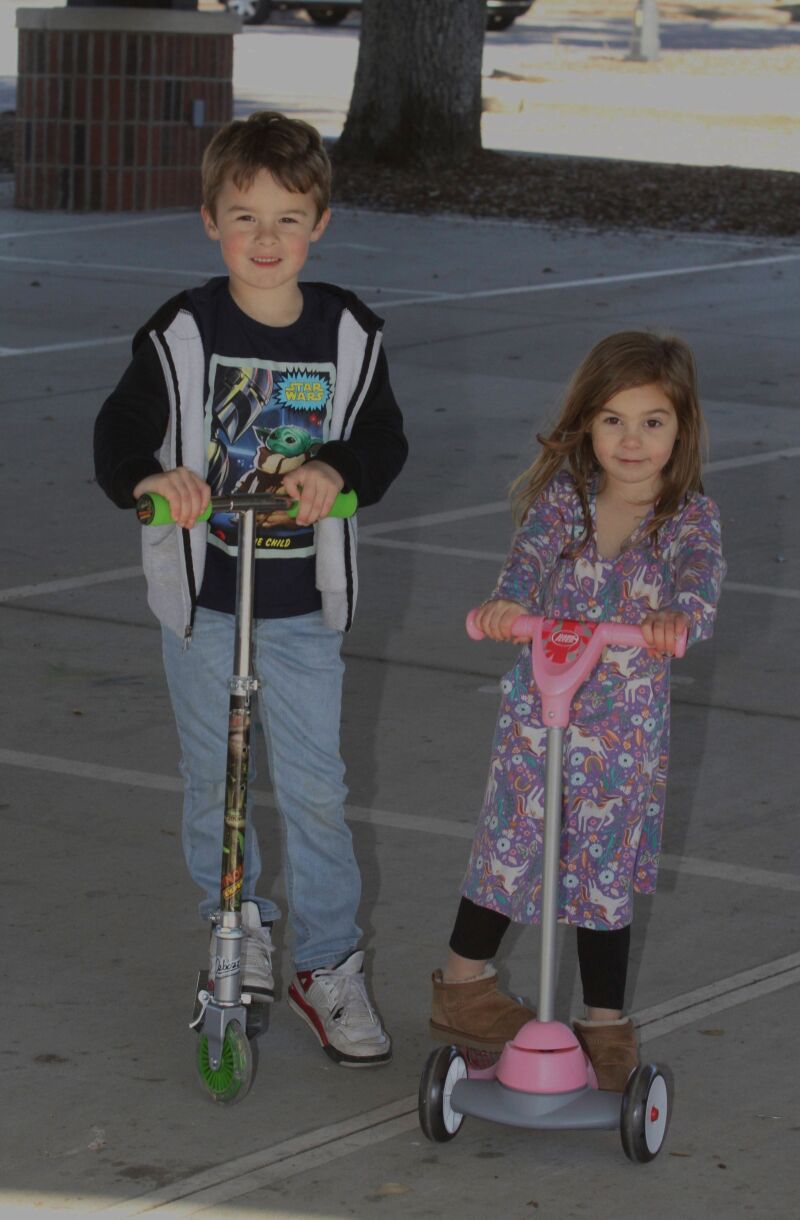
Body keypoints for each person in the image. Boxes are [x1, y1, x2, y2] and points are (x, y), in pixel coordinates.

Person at [94, 112, 407, 1067]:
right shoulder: (184, 331)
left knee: (314, 788)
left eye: (286, 219)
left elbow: (383, 440)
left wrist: (336, 472)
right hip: (205, 604)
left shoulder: (347, 331)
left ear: (321, 224)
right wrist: (149, 482)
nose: (265, 241)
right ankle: (240, 929)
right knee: (217, 789)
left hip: (302, 608)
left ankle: (324, 962)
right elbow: (122, 427)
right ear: (208, 221)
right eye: (244, 218)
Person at [430, 331, 725, 1090]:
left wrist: (676, 618)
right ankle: (462, 986)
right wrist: (508, 605)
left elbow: (699, 583)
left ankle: (603, 1026)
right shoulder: (565, 502)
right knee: (510, 841)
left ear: (681, 430)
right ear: (587, 425)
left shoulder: (688, 519)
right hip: (540, 710)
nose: (632, 440)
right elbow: (526, 560)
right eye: (613, 420)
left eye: (652, 422)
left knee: (601, 868)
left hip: (621, 730)